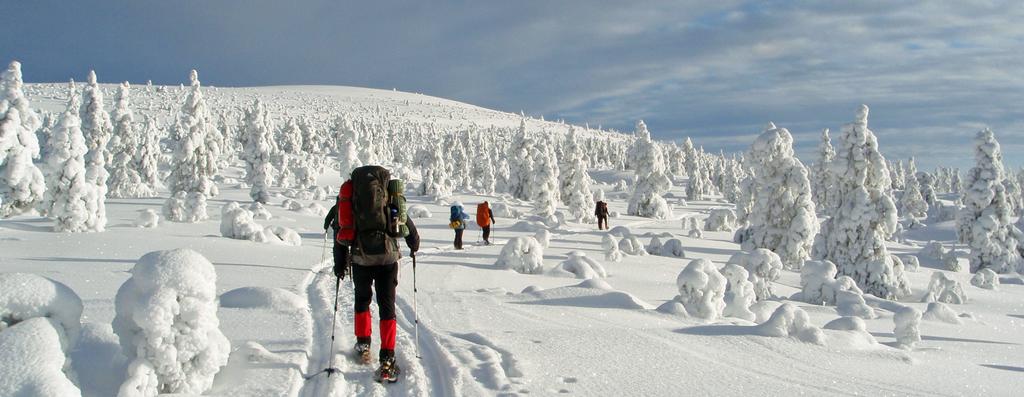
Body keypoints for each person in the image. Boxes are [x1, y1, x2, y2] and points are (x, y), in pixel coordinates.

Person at [324, 166, 420, 383]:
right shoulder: (389, 192)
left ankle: (363, 344)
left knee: (362, 300)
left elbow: (340, 229)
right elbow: (406, 223)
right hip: (387, 257)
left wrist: (340, 264)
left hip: (361, 257)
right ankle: (387, 358)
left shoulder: (349, 196)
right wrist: (413, 243)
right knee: (387, 305)